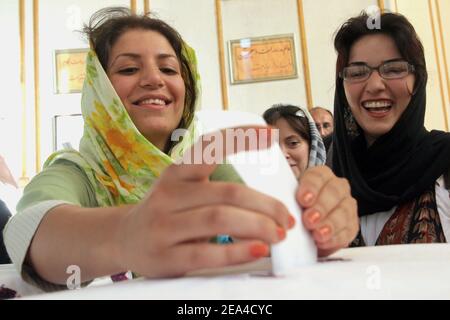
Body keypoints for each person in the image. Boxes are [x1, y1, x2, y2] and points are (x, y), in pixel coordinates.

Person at [4, 7, 358, 290]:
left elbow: (271, 227)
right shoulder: (78, 170)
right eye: (128, 68)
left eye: (169, 68)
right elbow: (34, 232)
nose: (154, 79)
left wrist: (312, 222)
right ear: (99, 90)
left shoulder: (206, 161)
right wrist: (127, 235)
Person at [331, 11, 450, 246]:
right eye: (357, 72)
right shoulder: (328, 169)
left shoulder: (444, 161)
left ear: (418, 81)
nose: (375, 85)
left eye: (394, 69)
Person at [263, 104, 326, 179]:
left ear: (312, 146)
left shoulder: (334, 189)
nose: (282, 154)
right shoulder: (250, 189)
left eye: (293, 143)